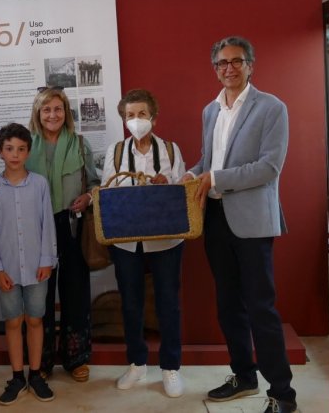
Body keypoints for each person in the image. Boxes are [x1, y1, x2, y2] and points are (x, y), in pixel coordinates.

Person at [184, 36, 298, 413]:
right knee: (228, 306)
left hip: (252, 223)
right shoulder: (210, 111)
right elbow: (208, 159)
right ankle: (244, 376)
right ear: (214, 68)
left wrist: (213, 179)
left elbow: (269, 168)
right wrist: (191, 174)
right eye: (221, 63)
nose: (228, 68)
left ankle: (282, 393)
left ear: (251, 64)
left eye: (236, 61)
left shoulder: (272, 108)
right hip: (215, 220)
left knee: (260, 309)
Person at [100, 89, 187, 398]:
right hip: (126, 242)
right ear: (124, 120)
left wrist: (168, 186)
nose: (136, 121)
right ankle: (137, 362)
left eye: (141, 114)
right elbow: (107, 192)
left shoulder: (171, 151)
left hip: (166, 240)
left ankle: (170, 367)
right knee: (131, 302)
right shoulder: (114, 152)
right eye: (130, 116)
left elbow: (182, 196)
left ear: (154, 117)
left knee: (168, 302)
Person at [23, 86, 98, 380]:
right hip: (36, 229)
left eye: (57, 109)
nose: (52, 115)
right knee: (40, 295)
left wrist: (89, 197)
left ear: (65, 113)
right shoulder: (26, 145)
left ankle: (76, 358)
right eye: (46, 110)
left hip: (73, 226)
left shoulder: (80, 144)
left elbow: (94, 182)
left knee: (75, 291)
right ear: (38, 114)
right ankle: (41, 362)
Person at [0, 122, 58, 405]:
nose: (15, 154)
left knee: (35, 319)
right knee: (13, 321)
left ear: (28, 152)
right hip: (8, 270)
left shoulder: (39, 184)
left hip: (38, 267)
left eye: (21, 149)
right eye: (9, 149)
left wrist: (47, 260)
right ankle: (17, 376)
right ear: (1, 152)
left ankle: (36, 374)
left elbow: (46, 224)